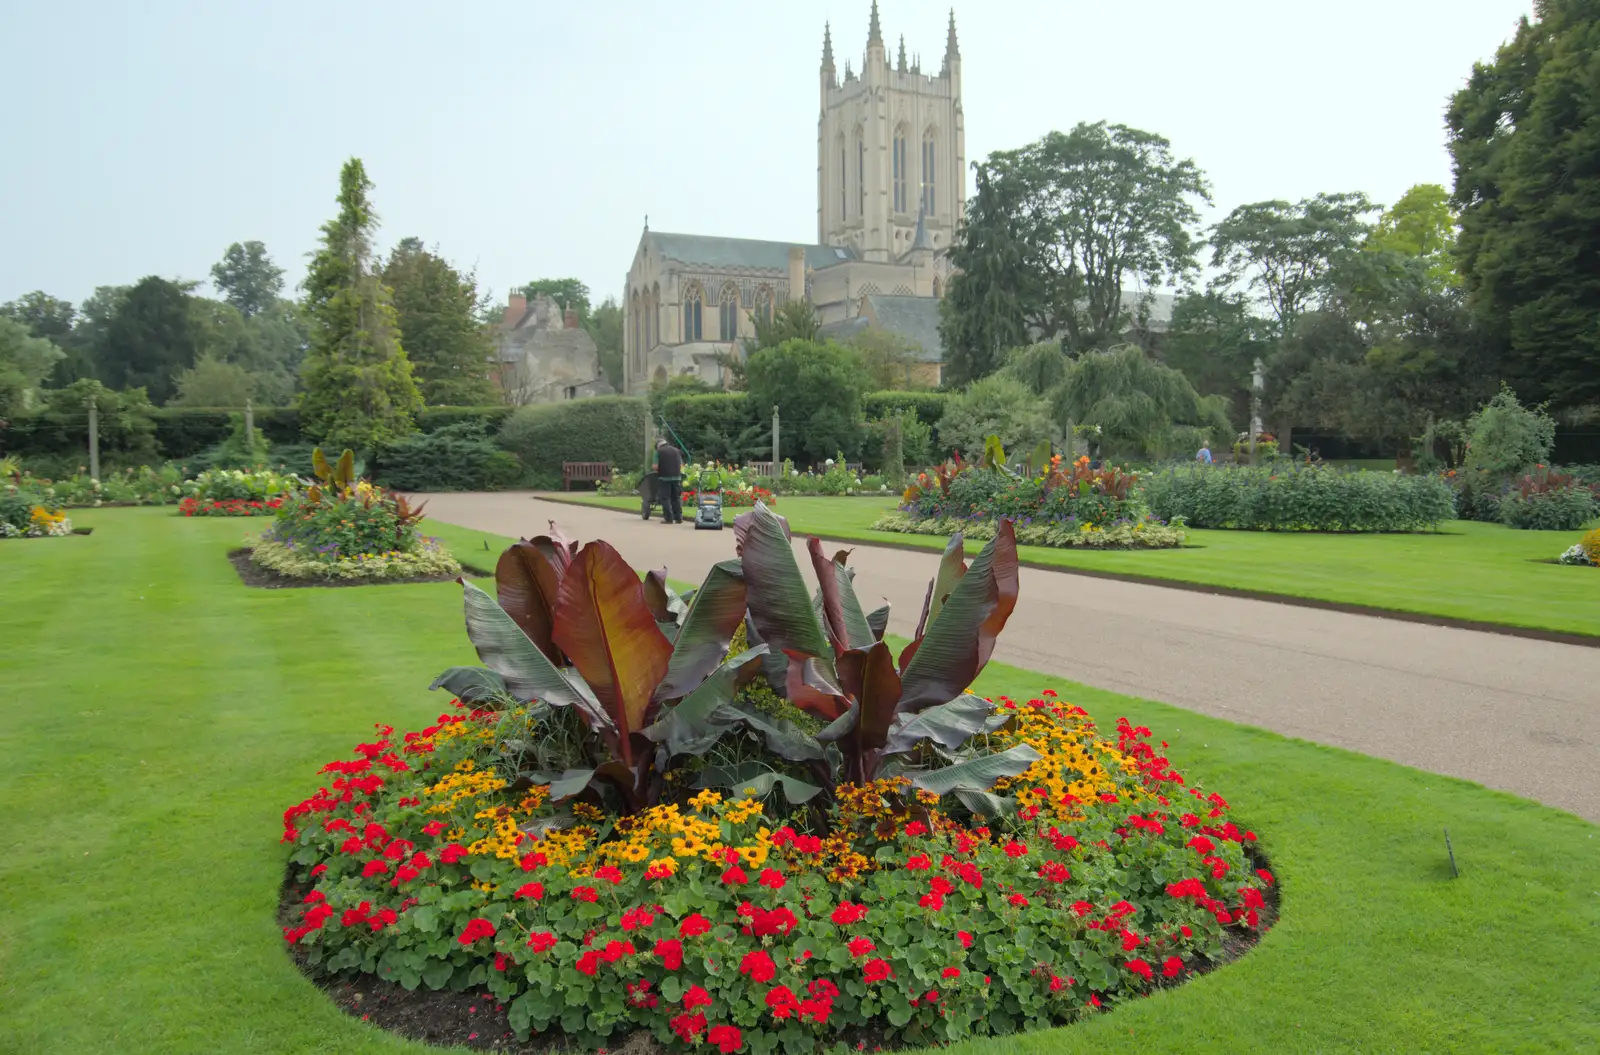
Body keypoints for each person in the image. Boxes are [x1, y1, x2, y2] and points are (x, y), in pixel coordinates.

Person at [652, 438, 684, 524]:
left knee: (665, 498)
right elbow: (681, 465)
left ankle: (669, 518)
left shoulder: (658, 452)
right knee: (676, 498)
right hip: (677, 477)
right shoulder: (676, 450)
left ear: (658, 446)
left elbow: (655, 466)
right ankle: (679, 518)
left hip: (664, 478)